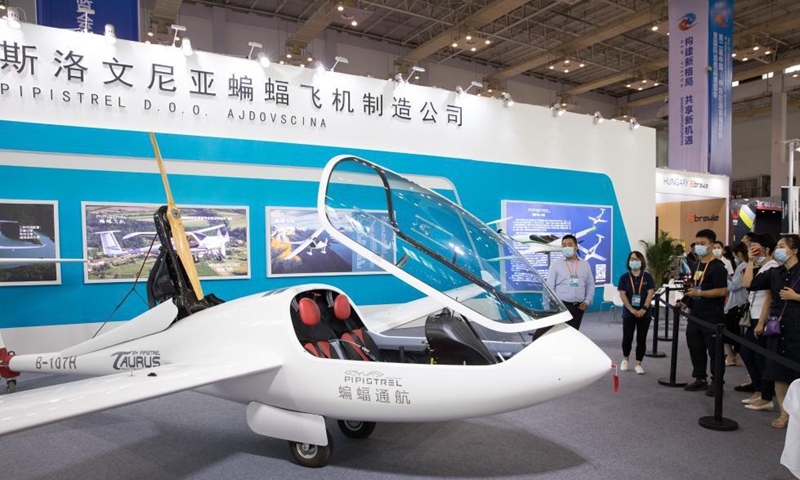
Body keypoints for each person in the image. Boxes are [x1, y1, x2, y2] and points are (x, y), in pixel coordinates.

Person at [744, 234, 800, 429]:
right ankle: (784, 413)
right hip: (776, 328)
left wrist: (796, 297)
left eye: (782, 246)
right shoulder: (774, 273)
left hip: (796, 329)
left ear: (794, 250)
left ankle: (796, 414)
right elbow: (749, 284)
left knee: (795, 372)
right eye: (777, 246)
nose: (778, 250)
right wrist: (751, 261)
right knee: (778, 372)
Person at [681, 229, 729, 395]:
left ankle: (717, 382)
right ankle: (700, 378)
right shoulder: (696, 265)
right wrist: (686, 300)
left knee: (715, 351)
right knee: (695, 347)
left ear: (712, 245)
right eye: (697, 244)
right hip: (695, 314)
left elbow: (722, 291)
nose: (699, 247)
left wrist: (699, 293)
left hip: (712, 315)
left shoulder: (718, 267)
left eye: (703, 244)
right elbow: (695, 288)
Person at [740, 233, 778, 411]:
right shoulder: (761, 267)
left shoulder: (772, 267)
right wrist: (750, 262)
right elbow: (747, 283)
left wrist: (761, 322)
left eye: (755, 248)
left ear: (767, 249)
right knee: (748, 354)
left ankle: (766, 395)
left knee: (760, 357)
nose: (752, 252)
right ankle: (759, 390)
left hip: (761, 318)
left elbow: (769, 298)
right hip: (754, 315)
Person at [617, 251, 655, 374]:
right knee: (627, 337)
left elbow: (650, 293)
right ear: (629, 262)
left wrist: (644, 308)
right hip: (629, 312)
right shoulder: (624, 277)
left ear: (642, 261)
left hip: (645, 312)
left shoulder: (647, 277)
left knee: (641, 338)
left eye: (637, 259)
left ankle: (638, 363)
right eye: (632, 259)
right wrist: (631, 309)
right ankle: (625, 359)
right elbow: (622, 295)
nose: (634, 261)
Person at [546, 234, 594, 330]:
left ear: (576, 247)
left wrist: (587, 301)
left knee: (574, 333)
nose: (566, 247)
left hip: (579, 307)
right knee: (559, 334)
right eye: (564, 245)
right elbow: (549, 288)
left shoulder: (585, 264)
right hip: (561, 307)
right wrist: (548, 308)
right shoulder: (555, 265)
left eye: (570, 244)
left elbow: (590, 284)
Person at [724, 242, 749, 367]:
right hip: (740, 302)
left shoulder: (742, 266)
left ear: (738, 254)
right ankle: (735, 356)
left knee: (731, 331)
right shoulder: (745, 265)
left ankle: (733, 356)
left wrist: (728, 279)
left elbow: (734, 286)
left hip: (737, 303)